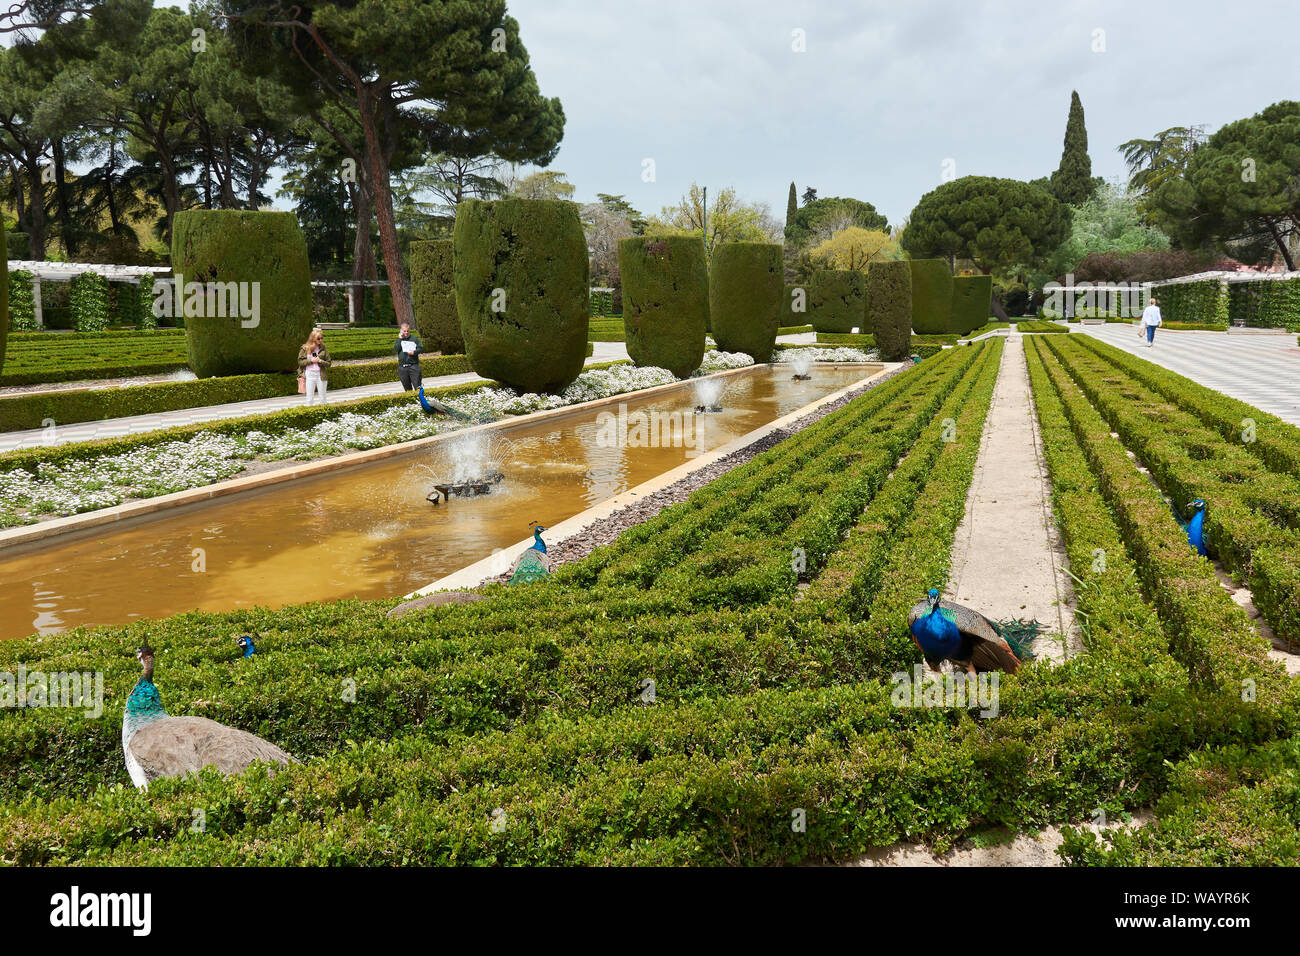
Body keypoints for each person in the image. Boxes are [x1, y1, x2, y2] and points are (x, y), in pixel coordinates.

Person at [298, 329, 332, 405]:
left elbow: (329, 363)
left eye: (321, 338)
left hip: (321, 375)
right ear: (313, 338)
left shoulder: (323, 348)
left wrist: (320, 361)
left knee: (323, 398)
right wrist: (311, 361)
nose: (320, 340)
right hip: (309, 374)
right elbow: (300, 362)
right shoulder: (305, 348)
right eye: (318, 338)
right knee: (309, 399)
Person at [395, 321, 423, 391]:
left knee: (418, 387)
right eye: (404, 331)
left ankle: (421, 400)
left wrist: (414, 352)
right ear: (401, 331)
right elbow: (396, 349)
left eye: (408, 331)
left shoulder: (414, 339)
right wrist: (399, 339)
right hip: (403, 368)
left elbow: (420, 348)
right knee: (407, 389)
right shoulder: (399, 340)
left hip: (413, 366)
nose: (406, 333)